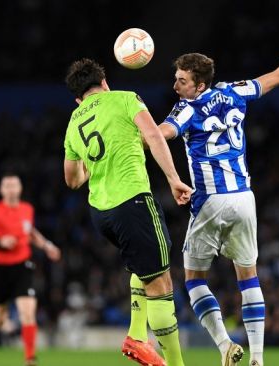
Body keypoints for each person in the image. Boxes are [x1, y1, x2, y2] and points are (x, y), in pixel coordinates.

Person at [157, 21, 279, 366]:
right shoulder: (235, 91)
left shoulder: (187, 108)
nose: (175, 85)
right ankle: (257, 358)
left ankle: (225, 345)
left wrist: (135, 128)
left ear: (198, 83)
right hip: (244, 198)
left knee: (194, 279)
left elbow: (163, 134)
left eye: (182, 80)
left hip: (210, 199)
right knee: (248, 274)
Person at [63, 58, 192, 366]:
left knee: (142, 269)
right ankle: (174, 362)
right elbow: (154, 136)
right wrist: (174, 179)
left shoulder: (73, 121)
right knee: (161, 283)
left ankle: (137, 333)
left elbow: (72, 179)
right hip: (132, 200)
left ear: (78, 97)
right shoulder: (124, 98)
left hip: (101, 213)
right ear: (104, 83)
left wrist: (92, 167)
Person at [0, 173, 61, 366]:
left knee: (28, 313)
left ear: (20, 189)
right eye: (7, 186)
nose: (11, 189)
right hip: (0, 270)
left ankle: (30, 358)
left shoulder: (27, 209)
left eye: (14, 185)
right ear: (1, 190)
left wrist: (47, 246)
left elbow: (31, 232)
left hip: (22, 267)